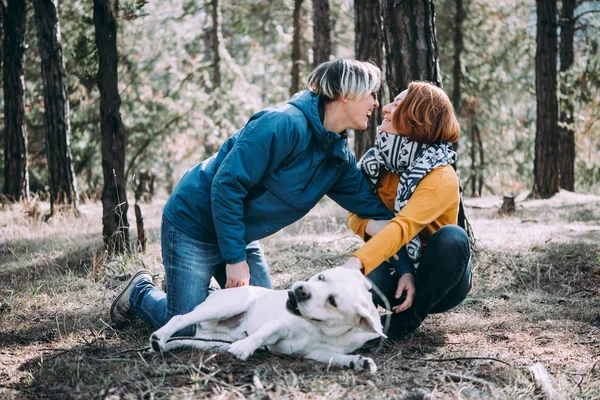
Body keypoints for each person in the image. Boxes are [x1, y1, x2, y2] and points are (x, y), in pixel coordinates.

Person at [110, 59, 403, 335]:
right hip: (194, 224)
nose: (376, 103)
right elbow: (226, 186)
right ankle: (141, 291)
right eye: (371, 94)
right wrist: (235, 259)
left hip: (237, 230)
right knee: (184, 328)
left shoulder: (337, 157)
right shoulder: (282, 123)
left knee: (265, 318)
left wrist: (404, 268)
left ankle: (201, 296)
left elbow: (373, 209)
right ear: (344, 94)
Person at [342, 81, 472, 340]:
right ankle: (347, 328)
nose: (386, 108)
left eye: (398, 104)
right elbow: (355, 213)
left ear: (417, 118)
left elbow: (403, 227)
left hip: (439, 279)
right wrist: (371, 227)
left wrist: (355, 261)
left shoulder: (440, 175)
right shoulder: (376, 162)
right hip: (395, 265)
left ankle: (404, 322)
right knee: (355, 288)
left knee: (453, 238)